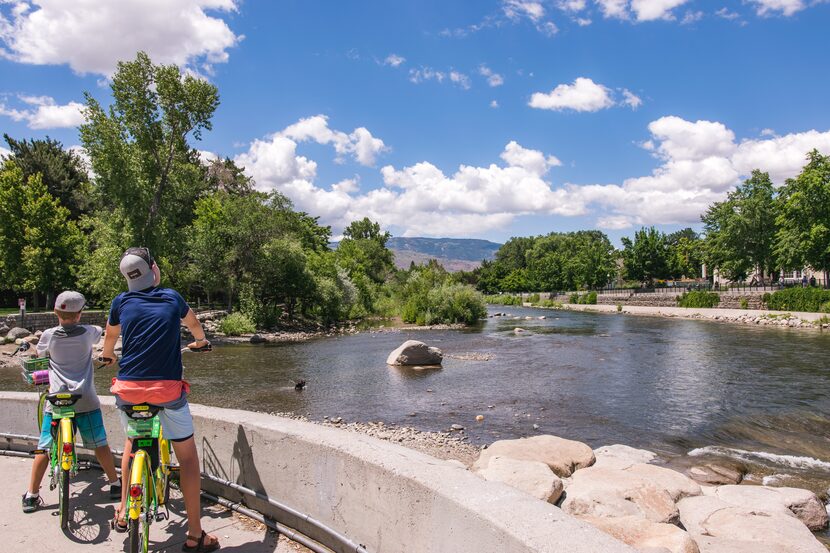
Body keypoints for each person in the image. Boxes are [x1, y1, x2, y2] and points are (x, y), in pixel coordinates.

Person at [101, 247, 219, 552]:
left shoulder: (120, 302)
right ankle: (195, 535)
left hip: (127, 390)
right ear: (154, 269)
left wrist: (107, 355)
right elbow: (194, 326)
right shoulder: (171, 297)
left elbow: (111, 338)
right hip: (167, 392)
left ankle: (125, 510)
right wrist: (201, 343)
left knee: (132, 445)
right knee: (188, 459)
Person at [22, 291, 120, 513]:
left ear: (56, 312)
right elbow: (102, 333)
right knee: (99, 444)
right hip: (85, 398)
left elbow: (40, 352)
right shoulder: (89, 332)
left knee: (44, 448)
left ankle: (31, 495)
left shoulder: (48, 335)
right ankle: (115, 484)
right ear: (80, 314)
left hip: (58, 399)